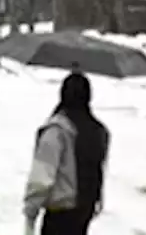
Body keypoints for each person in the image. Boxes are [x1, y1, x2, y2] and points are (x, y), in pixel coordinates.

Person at [23, 72, 111, 235]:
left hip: (59, 214)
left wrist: (30, 213)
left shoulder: (57, 131)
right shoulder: (99, 131)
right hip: (85, 211)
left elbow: (42, 179)